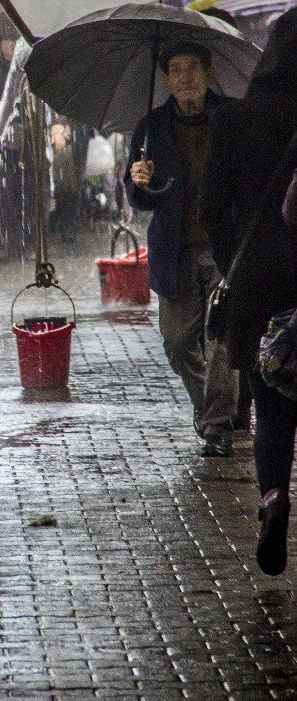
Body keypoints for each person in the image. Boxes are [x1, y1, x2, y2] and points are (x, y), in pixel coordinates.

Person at [200, 9, 297, 575]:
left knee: (269, 400)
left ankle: (272, 497)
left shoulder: (233, 121)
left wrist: (235, 260)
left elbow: (213, 208)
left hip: (257, 280)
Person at [124, 40, 238, 457]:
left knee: (222, 338)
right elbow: (139, 200)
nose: (186, 76)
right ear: (167, 79)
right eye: (176, 69)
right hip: (176, 249)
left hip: (226, 249)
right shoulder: (152, 127)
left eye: (194, 67)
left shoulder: (232, 118)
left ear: (209, 73)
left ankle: (218, 423)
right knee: (176, 342)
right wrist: (139, 181)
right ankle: (208, 405)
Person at [0, 34, 18, 109]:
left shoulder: (25, 65)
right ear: (0, 42)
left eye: (13, 39)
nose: (10, 43)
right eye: (6, 39)